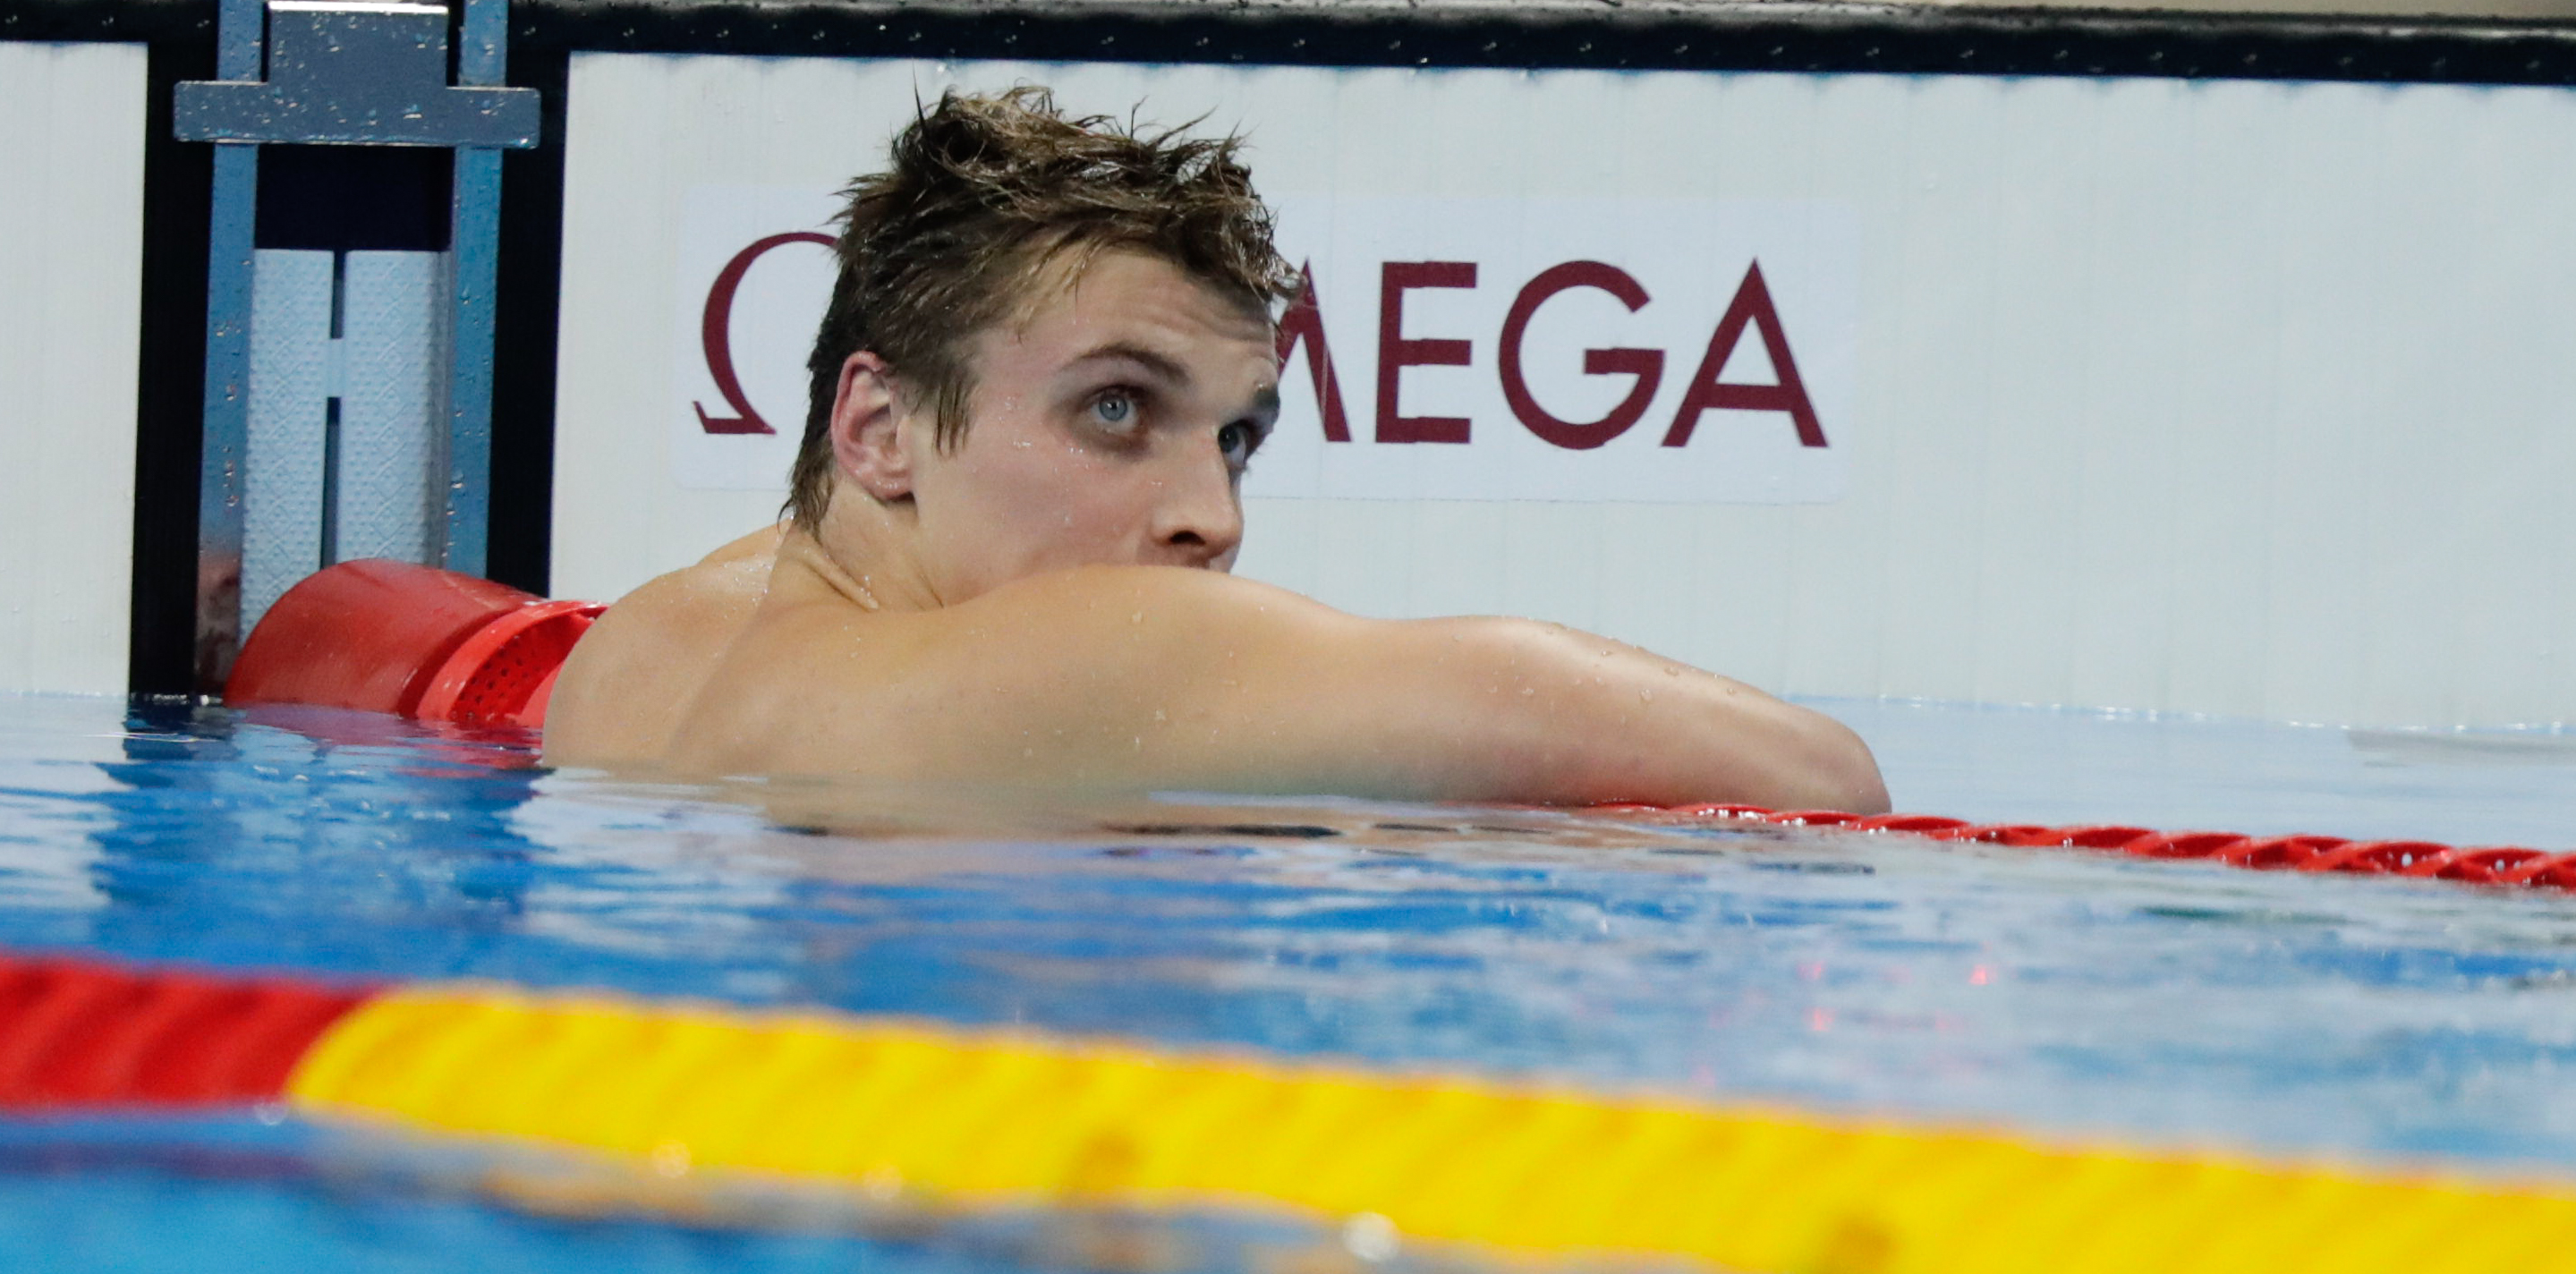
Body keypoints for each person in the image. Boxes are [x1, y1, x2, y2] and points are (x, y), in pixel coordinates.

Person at [544, 89, 1888, 813]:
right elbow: (1816, 780)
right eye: (1116, 409)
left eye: (1236, 436)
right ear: (881, 429)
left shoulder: (648, 645)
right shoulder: (1068, 661)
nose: (1210, 519)